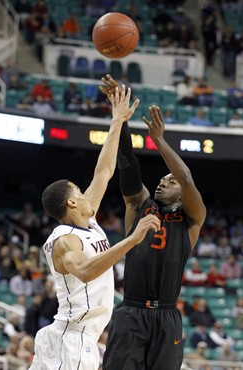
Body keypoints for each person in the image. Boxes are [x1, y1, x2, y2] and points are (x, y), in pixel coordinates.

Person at [29, 86, 160, 370]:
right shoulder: (65, 241)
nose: (85, 191)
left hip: (75, 337)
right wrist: (131, 241)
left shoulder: (85, 221)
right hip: (72, 339)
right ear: (72, 202)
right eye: (78, 189)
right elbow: (86, 271)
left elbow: (104, 171)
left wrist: (117, 120)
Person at [100, 75, 206, 370]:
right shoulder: (139, 205)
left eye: (168, 182)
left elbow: (185, 178)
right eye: (161, 179)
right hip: (131, 312)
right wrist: (119, 119)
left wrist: (158, 140)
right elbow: (126, 161)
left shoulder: (192, 219)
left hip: (167, 317)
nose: (162, 182)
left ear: (182, 194)